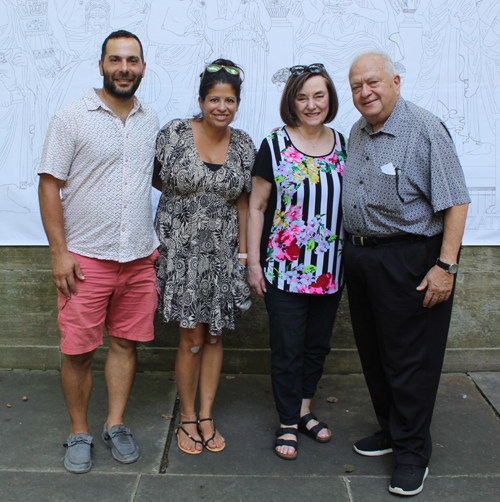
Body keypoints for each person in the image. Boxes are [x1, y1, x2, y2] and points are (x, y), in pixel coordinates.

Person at [343, 50, 470, 496]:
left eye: (373, 82)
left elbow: (456, 200)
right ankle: (393, 432)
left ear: (395, 81)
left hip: (410, 260)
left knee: (409, 362)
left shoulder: (424, 129)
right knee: (376, 355)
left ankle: (414, 452)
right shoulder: (357, 132)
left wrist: (445, 267)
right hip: (362, 259)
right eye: (357, 86)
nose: (365, 92)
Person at [38, 30, 159, 474]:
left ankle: (115, 424)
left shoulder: (151, 119)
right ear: (102, 65)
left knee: (125, 344)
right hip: (86, 259)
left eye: (132, 60)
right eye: (115, 60)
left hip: (139, 258)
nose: (124, 68)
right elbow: (49, 184)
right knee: (79, 350)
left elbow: (160, 177)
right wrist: (59, 252)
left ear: (143, 67)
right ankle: (78, 431)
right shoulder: (72, 117)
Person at [152, 59, 255, 455]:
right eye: (214, 98)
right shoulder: (175, 133)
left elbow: (245, 201)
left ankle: (207, 415)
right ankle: (187, 417)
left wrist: (245, 255)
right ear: (201, 100)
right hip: (180, 255)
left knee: (214, 334)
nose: (222, 106)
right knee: (191, 339)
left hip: (223, 255)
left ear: (237, 104)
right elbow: (157, 177)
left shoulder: (245, 144)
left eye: (229, 100)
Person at [247, 63, 347, 460]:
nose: (311, 105)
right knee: (288, 347)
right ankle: (287, 421)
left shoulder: (345, 143)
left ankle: (305, 411)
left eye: (318, 95)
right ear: (292, 102)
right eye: (302, 97)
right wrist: (253, 263)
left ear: (330, 98)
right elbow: (256, 206)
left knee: (316, 346)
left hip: (331, 270)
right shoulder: (273, 145)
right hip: (284, 271)